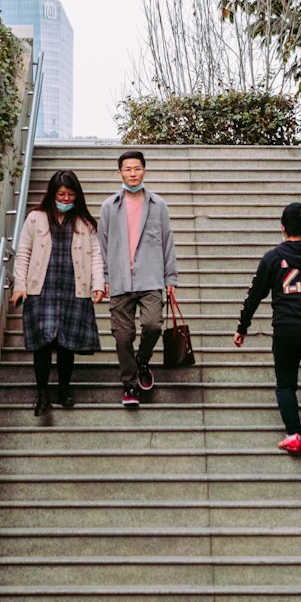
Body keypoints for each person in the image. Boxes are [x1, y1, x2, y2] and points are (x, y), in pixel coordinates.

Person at [233, 201, 301, 454]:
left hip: (285, 329)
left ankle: (293, 435)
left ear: (282, 227)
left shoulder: (272, 258)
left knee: (285, 384)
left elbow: (254, 295)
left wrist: (243, 326)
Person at [11, 170, 104, 415]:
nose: (65, 199)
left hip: (74, 288)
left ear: (77, 196)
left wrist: (98, 284)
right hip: (42, 289)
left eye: (70, 194)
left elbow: (96, 256)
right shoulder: (35, 218)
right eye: (61, 194)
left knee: (66, 344)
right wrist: (19, 286)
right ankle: (42, 394)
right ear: (52, 194)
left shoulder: (85, 223)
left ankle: (64, 389)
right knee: (41, 344)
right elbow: (23, 254)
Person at [98, 149, 178, 408]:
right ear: (119, 172)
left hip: (151, 278)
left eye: (137, 168)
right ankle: (130, 385)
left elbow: (167, 243)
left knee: (154, 325)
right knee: (122, 337)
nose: (132, 173)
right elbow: (103, 245)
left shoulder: (158, 205)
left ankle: (142, 360)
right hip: (120, 280)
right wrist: (104, 277)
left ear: (144, 170)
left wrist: (171, 279)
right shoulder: (109, 206)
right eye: (127, 169)